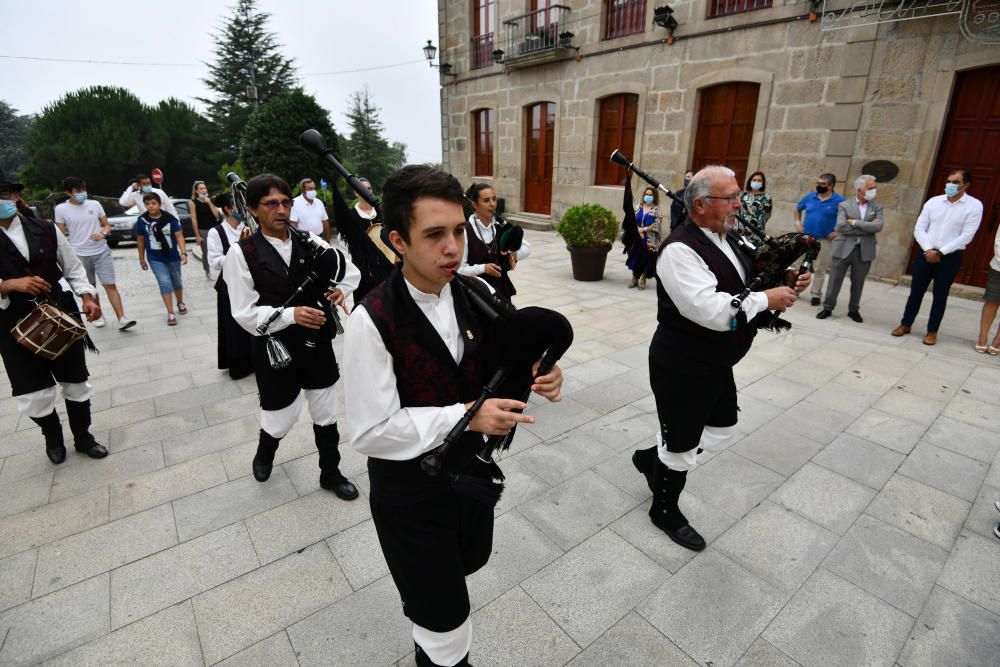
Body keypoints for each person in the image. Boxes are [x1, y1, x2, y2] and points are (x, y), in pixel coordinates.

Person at [344, 165, 564, 667]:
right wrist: (466, 416)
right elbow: (370, 430)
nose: (453, 248)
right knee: (446, 628)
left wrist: (545, 371)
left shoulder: (475, 294)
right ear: (397, 240)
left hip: (469, 484)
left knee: (462, 572)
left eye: (459, 231)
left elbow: (513, 354)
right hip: (411, 497)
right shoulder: (371, 321)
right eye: (435, 235)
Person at [631, 166, 810, 551]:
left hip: (715, 362)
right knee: (680, 447)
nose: (739, 203)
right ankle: (663, 510)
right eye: (730, 197)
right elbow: (711, 310)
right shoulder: (678, 251)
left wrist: (787, 282)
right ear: (699, 205)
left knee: (722, 427)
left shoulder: (731, 238)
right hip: (681, 364)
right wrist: (766, 299)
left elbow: (754, 280)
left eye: (738, 194)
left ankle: (652, 458)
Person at [223, 174, 361, 498]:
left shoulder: (309, 240)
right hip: (275, 346)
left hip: (317, 343)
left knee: (325, 411)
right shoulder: (241, 253)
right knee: (280, 417)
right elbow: (244, 313)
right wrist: (292, 314)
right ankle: (266, 449)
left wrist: (340, 291)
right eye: (272, 203)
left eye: (286, 202)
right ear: (254, 210)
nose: (281, 209)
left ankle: (331, 473)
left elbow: (348, 271)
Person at [0, 170, 108, 464]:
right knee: (33, 389)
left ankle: (84, 436)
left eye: (4, 194)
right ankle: (52, 437)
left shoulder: (45, 228)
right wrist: (7, 285)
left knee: (75, 379)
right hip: (12, 321)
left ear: (15, 196)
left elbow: (71, 266)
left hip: (59, 310)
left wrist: (87, 295)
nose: (2, 200)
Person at [892, 169, 983, 345]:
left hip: (950, 257)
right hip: (926, 253)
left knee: (940, 295)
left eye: (955, 182)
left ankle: (932, 331)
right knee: (916, 291)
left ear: (966, 185)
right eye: (949, 181)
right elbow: (919, 228)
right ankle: (906, 323)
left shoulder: (974, 206)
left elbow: (967, 235)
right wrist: (928, 250)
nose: (950, 185)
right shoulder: (934, 202)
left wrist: (941, 252)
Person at [54, 177, 136, 331]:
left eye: (83, 189)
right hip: (79, 253)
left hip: (101, 250)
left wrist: (103, 233)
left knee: (110, 284)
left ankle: (122, 318)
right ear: (68, 192)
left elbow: (106, 225)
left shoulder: (95, 204)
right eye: (78, 190)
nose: (82, 193)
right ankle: (99, 316)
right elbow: (60, 234)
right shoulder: (61, 209)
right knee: (91, 287)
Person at [816, 175, 883, 323]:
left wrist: (854, 222)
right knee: (834, 280)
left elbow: (878, 226)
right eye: (870, 188)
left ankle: (853, 310)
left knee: (858, 281)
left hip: (864, 250)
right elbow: (840, 227)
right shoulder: (845, 205)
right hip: (843, 247)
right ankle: (828, 307)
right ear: (860, 190)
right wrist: (867, 227)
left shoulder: (877, 206)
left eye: (874, 187)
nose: (874, 190)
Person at [459, 183, 531, 301]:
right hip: (477, 295)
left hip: (502, 292)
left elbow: (527, 247)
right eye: (486, 200)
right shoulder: (465, 232)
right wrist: (483, 268)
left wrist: (513, 254)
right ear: (475, 205)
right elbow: (460, 270)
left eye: (494, 199)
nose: (492, 204)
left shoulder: (500, 226)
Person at [329, 176, 394, 306]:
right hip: (363, 272)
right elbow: (344, 242)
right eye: (363, 189)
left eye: (369, 188)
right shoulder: (352, 216)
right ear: (356, 192)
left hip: (386, 267)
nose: (367, 191)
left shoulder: (382, 212)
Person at [207, 193, 252, 379]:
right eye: (237, 205)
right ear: (227, 208)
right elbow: (215, 260)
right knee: (233, 324)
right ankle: (239, 363)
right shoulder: (216, 232)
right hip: (229, 282)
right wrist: (238, 249)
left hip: (250, 281)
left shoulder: (250, 227)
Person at [135, 192, 188, 326]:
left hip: (173, 256)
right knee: (165, 282)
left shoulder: (170, 219)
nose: (150, 206)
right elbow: (140, 241)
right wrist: (141, 259)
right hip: (155, 258)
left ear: (159, 204)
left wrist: (183, 252)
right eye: (147, 204)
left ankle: (180, 302)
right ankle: (170, 313)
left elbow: (179, 236)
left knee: (177, 282)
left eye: (153, 203)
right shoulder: (142, 221)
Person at [795, 173, 844, 306]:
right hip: (806, 238)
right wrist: (798, 223)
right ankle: (795, 289)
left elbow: (846, 218)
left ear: (831, 185)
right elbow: (798, 209)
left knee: (819, 269)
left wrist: (837, 231)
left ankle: (816, 295)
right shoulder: (810, 197)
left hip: (824, 240)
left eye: (823, 184)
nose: (819, 186)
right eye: (818, 183)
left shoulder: (839, 201)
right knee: (799, 265)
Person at [625, 185, 661, 290]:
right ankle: (634, 278)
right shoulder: (638, 207)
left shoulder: (656, 209)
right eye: (646, 194)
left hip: (649, 239)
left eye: (650, 195)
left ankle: (643, 278)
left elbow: (656, 225)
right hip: (637, 238)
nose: (648, 196)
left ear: (654, 196)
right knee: (635, 257)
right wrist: (638, 230)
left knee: (646, 259)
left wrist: (643, 230)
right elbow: (632, 221)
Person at [976, 220, 1000, 354]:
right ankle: (982, 336)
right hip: (999, 267)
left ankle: (998, 340)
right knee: (992, 301)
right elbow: (998, 242)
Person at [190, 180, 221, 280]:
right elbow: (194, 220)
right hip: (203, 230)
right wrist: (197, 235)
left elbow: (217, 216)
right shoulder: (193, 203)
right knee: (206, 252)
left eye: (205, 188)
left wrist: (210, 203)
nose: (204, 190)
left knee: (220, 249)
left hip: (215, 228)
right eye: (201, 189)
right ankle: (207, 271)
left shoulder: (211, 200)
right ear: (196, 191)